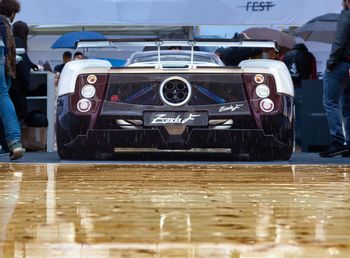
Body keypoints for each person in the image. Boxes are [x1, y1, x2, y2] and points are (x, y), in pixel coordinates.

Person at [320, 0, 350, 157]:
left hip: (341, 65)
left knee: (330, 102)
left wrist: (330, 63)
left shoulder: (346, 15)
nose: (341, 5)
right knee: (348, 107)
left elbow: (339, 42)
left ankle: (338, 142)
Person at [0, 0, 25, 160]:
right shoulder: (4, 24)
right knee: (3, 96)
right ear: (13, 12)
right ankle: (14, 142)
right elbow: (7, 48)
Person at [283, 43, 318, 148]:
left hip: (288, 89)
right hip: (304, 88)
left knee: (287, 115)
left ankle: (288, 139)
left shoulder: (285, 56)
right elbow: (314, 74)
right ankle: (300, 140)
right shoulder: (310, 56)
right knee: (302, 116)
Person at [9, 21, 38, 122]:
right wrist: (27, 84)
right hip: (18, 88)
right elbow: (23, 64)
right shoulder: (19, 42)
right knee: (18, 117)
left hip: (12, 86)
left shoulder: (13, 41)